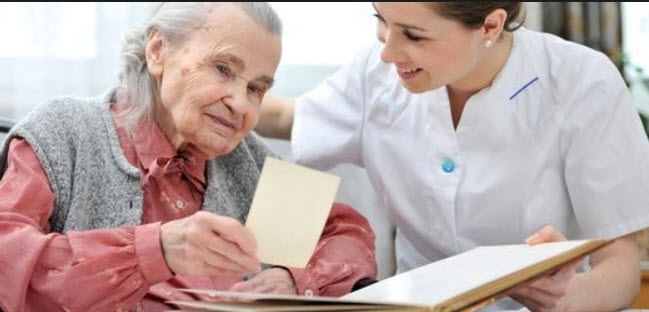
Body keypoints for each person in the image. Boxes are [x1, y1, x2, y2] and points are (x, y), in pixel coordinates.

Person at [256, 2, 649, 311]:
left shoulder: (581, 82)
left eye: (413, 35)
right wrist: (208, 84)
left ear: (490, 27)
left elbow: (623, 269)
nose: (388, 53)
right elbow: (284, 117)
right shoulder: (372, 77)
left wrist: (568, 297)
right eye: (382, 19)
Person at [0, 3, 377, 311]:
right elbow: (7, 259)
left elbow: (346, 232)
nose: (240, 103)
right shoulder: (65, 131)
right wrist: (156, 249)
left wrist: (297, 280)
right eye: (223, 69)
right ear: (158, 50)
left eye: (256, 88)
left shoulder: (244, 159)